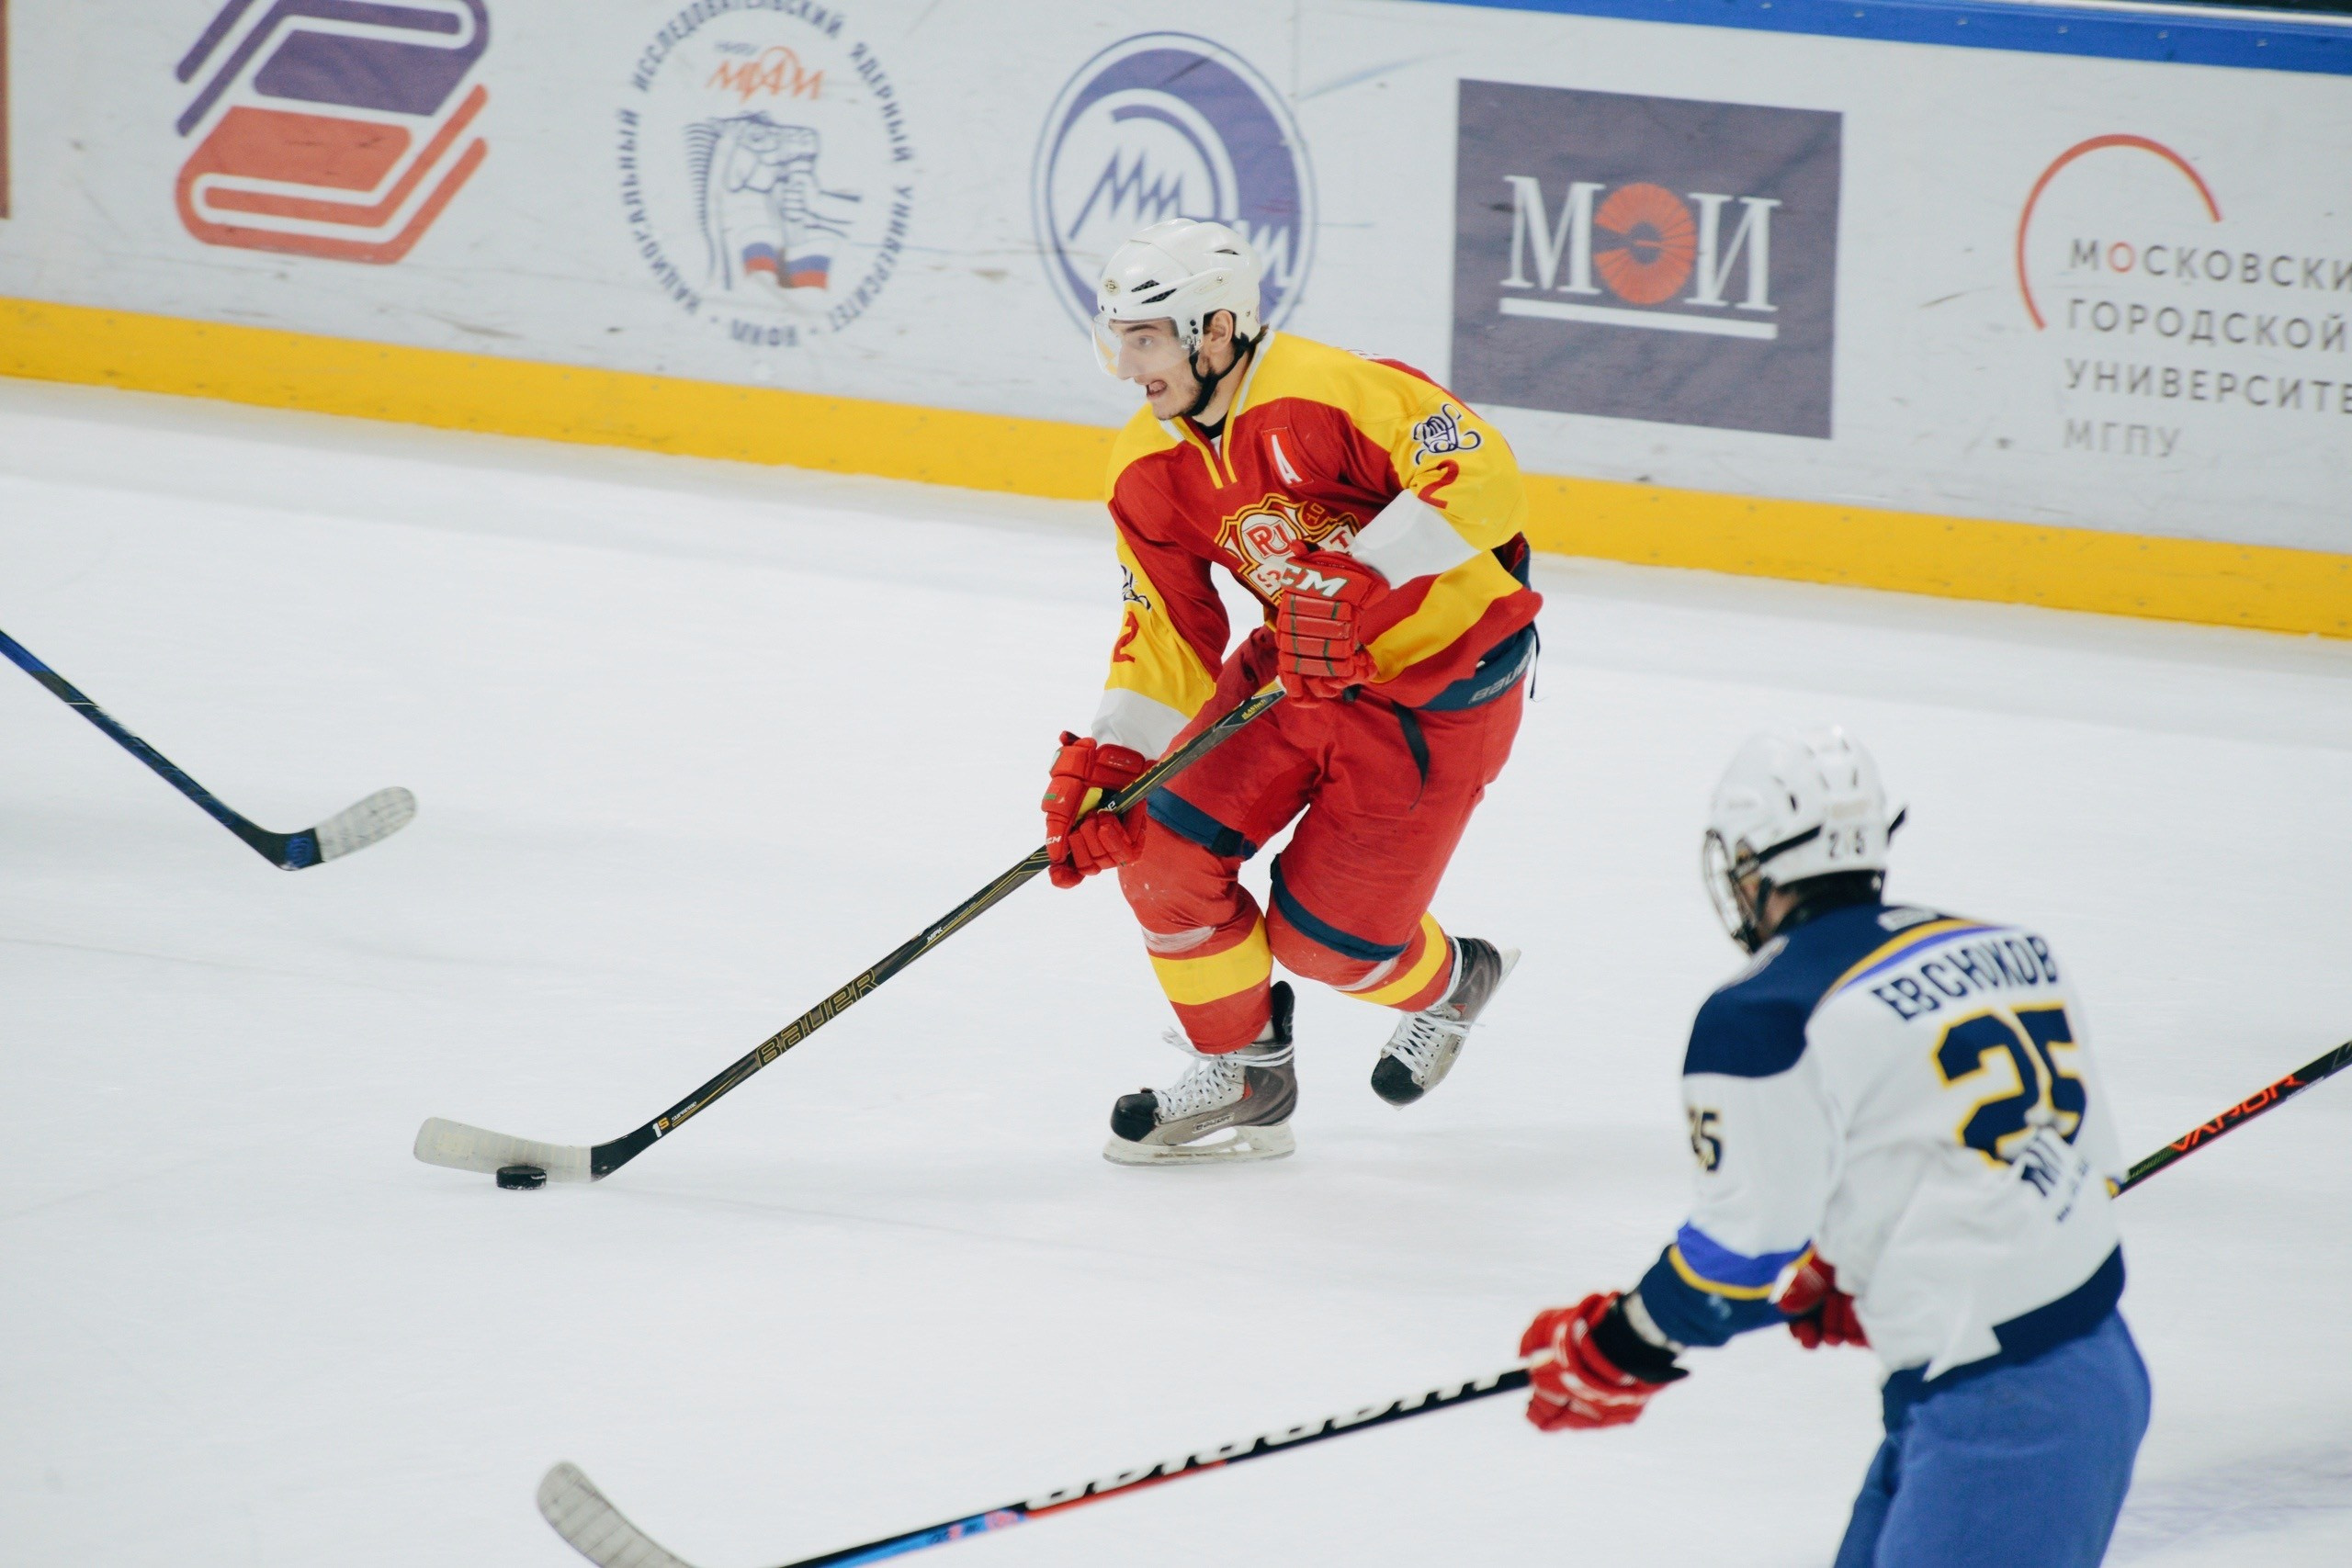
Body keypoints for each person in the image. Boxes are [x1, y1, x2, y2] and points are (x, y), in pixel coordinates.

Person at [1519, 728, 2148, 1568]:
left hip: (2001, 1408)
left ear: (1755, 862)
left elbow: (1739, 1253)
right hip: (2069, 1368)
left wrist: (1624, 1342)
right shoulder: (2010, 946)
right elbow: (2065, 1165)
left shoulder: (1764, 1011)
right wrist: (1860, 1256)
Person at [1040, 219, 1542, 1165]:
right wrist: (1117, 754)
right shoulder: (1147, 466)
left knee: (1328, 947)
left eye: (1143, 340)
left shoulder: (1331, 390)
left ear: (1216, 329)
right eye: (1117, 339)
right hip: (1296, 674)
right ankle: (1243, 1073)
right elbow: (1168, 624)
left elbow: (1485, 480)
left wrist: (1363, 570)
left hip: (1440, 687)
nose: (1124, 367)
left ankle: (1452, 983)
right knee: (1157, 851)